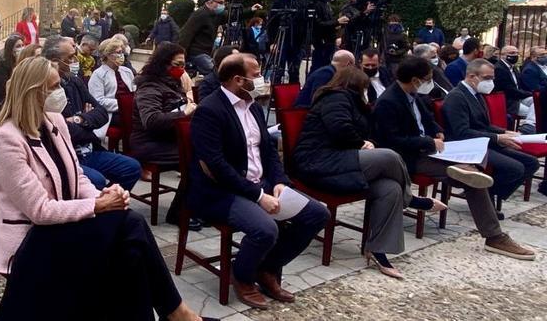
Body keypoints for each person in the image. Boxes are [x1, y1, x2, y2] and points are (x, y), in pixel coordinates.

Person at [0, 56, 217, 321]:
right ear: (33, 92)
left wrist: (103, 195)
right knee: (130, 223)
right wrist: (98, 206)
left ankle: (171, 313)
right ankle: (177, 312)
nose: (60, 91)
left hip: (64, 229)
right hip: (32, 240)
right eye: (53, 87)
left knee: (130, 252)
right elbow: (40, 210)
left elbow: (78, 175)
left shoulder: (55, 123)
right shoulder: (6, 139)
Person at [190, 54, 328, 308]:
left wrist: (279, 181)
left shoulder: (252, 106)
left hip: (259, 183)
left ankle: (267, 267)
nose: (262, 80)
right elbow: (217, 167)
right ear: (237, 80)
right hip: (221, 191)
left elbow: (267, 150)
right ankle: (242, 276)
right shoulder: (210, 110)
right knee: (265, 229)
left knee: (317, 214)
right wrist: (258, 196)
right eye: (256, 75)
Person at [374, 57, 534, 260]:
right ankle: (494, 235)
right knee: (472, 177)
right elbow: (392, 140)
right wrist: (428, 142)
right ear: (415, 80)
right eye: (427, 79)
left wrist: (437, 131)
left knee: (474, 172)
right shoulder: (389, 101)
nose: (430, 83)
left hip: (433, 151)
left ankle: (492, 232)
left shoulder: (413, 95)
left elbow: (428, 120)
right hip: (409, 158)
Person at [292, 67, 446, 278]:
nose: (367, 91)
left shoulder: (356, 104)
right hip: (320, 161)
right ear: (355, 85)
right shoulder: (335, 98)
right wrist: (362, 143)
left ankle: (378, 249)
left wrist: (369, 141)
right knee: (389, 157)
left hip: (344, 160)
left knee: (390, 188)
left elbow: (369, 133)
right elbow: (340, 128)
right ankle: (413, 201)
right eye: (365, 87)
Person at [42, 36, 141, 191]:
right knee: (96, 180)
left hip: (90, 148)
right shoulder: (45, 88)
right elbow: (60, 131)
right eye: (70, 57)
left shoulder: (74, 81)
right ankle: (97, 205)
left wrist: (78, 119)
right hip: (65, 154)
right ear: (55, 60)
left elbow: (100, 112)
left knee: (131, 168)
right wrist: (85, 120)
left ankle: (106, 203)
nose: (75, 60)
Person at [441, 59, 540, 211]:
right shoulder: (457, 97)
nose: (491, 82)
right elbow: (461, 132)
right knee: (514, 168)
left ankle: (486, 194)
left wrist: (505, 132)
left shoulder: (476, 93)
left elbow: (484, 125)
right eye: (487, 78)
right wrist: (498, 138)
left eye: (492, 78)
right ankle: (484, 200)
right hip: (465, 146)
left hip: (483, 141)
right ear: (472, 76)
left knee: (531, 163)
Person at [130, 42, 194, 223]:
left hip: (170, 139)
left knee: (208, 152)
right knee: (196, 159)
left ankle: (194, 205)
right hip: (150, 143)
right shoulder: (149, 87)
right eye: (177, 65)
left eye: (184, 65)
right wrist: (184, 113)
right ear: (163, 64)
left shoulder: (173, 83)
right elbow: (152, 121)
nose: (181, 69)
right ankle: (179, 212)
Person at [88, 38, 136, 126]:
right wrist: (123, 104)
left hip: (130, 109)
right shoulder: (98, 74)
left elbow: (134, 92)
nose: (121, 55)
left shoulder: (127, 71)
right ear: (108, 55)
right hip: (111, 113)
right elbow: (98, 100)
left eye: (122, 52)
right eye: (118, 52)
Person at [266, 0, 305, 83]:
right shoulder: (277, 3)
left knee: (294, 72)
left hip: (296, 42)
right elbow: (271, 24)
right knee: (278, 71)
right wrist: (272, 42)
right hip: (280, 42)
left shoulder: (300, 3)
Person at [179, 0, 226, 76]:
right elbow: (186, 35)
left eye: (223, 2)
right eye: (220, 2)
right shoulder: (200, 14)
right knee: (215, 74)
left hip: (206, 52)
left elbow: (231, 15)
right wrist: (181, 55)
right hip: (197, 53)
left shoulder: (215, 15)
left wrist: (251, 10)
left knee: (216, 72)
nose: (222, 6)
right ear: (210, 1)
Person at [494, 45, 536, 134]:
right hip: (509, 101)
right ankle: (528, 127)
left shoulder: (513, 68)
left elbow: (519, 86)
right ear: (503, 55)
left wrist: (531, 94)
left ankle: (530, 125)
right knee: (534, 113)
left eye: (517, 53)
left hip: (518, 97)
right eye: (512, 53)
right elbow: (510, 90)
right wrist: (528, 94)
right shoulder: (499, 68)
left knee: (537, 101)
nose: (515, 55)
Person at [310, 0, 349, 71]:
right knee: (319, 67)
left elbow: (328, 22)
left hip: (330, 41)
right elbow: (319, 24)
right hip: (321, 42)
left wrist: (336, 25)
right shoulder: (318, 5)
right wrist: (336, 22)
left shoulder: (327, 5)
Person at [0, 34, 25, 130]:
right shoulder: (3, 65)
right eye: (18, 46)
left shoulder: (25, 65)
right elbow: (2, 88)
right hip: (4, 103)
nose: (21, 48)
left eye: (22, 45)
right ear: (11, 49)